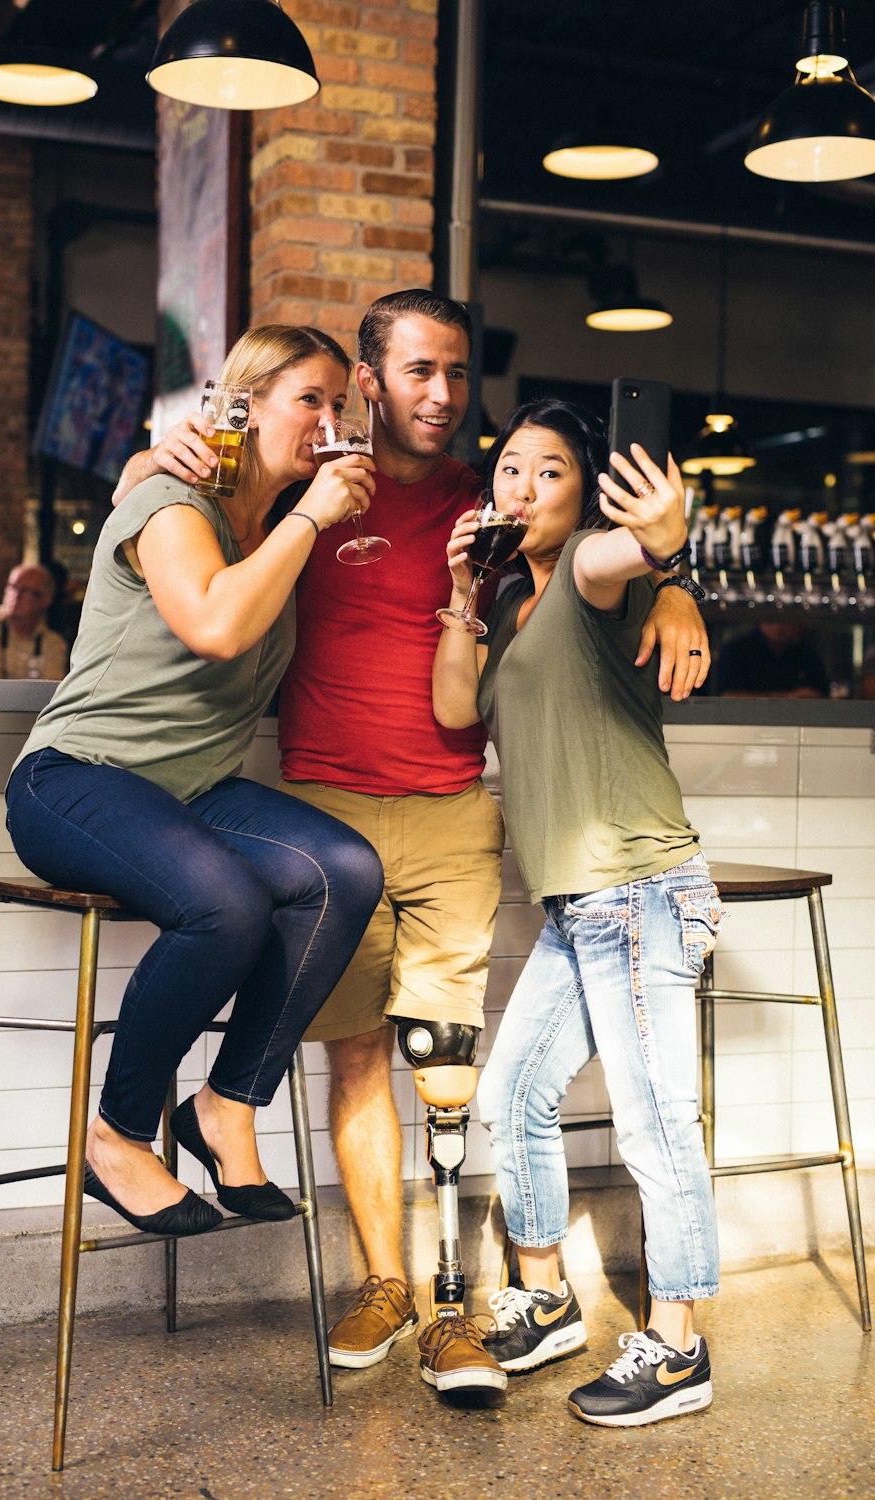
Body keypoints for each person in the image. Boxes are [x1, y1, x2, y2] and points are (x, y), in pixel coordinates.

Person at [113, 291, 710, 1378]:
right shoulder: (304, 487)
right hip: (324, 817)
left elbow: (592, 563)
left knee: (447, 1068)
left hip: (451, 817)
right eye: (417, 373)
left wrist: (676, 581)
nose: (441, 395)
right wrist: (158, 453)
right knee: (353, 1063)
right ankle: (383, 1284)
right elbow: (180, 508)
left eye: (456, 372)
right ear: (370, 385)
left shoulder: (493, 505)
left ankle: (453, 1303)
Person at [5, 325, 384, 1239]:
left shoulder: (270, 526)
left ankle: (226, 1105)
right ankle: (118, 1133)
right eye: (311, 401)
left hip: (191, 789)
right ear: (244, 408)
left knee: (343, 872)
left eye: (343, 406)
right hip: (77, 779)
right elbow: (215, 625)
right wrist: (305, 519)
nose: (332, 422)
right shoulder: (173, 501)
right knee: (226, 903)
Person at [433, 397, 723, 1426]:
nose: (520, 486)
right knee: (509, 1100)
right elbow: (455, 711)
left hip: (642, 893)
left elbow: (629, 550)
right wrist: (465, 591)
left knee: (655, 1126)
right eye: (508, 467)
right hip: (574, 911)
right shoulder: (512, 610)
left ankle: (679, 1350)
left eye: (548, 470)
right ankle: (548, 1299)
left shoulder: (595, 578)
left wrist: (668, 551)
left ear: (582, 489)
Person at [717, 620, 830, 698]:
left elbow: (822, 695)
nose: (800, 626)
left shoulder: (805, 653)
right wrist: (791, 697)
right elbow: (728, 696)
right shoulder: (737, 649)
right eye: (792, 620)